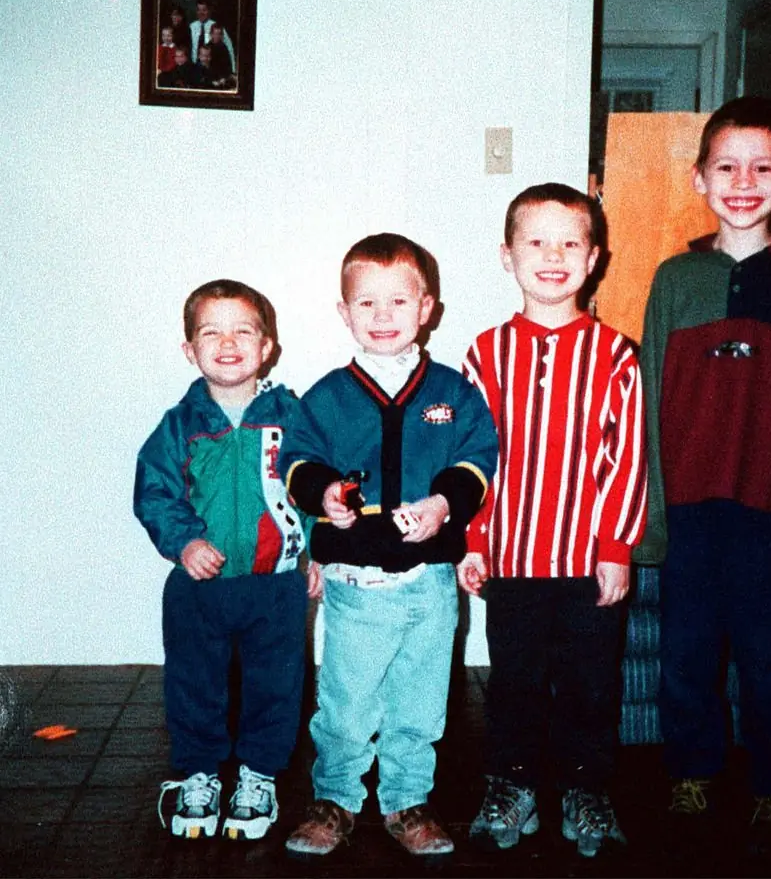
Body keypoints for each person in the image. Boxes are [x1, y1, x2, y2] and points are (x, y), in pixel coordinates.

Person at [633, 95, 771, 848]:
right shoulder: (674, 278)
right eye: (726, 166)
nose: (743, 180)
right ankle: (691, 770)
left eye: (764, 167)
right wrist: (651, 514)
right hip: (693, 505)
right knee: (687, 649)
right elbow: (650, 400)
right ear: (699, 178)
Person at [280, 233, 499, 859]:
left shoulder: (453, 392)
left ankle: (407, 799)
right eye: (366, 304)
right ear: (344, 312)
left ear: (426, 308)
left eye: (398, 302)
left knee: (421, 702)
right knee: (346, 703)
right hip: (354, 584)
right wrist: (322, 494)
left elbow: (477, 457)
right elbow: (299, 459)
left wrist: (441, 506)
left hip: (430, 585)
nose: (382, 317)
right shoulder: (324, 396)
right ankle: (335, 797)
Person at [459, 183, 648, 859]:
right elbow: (470, 457)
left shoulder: (616, 354)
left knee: (592, 682)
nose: (553, 255)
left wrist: (616, 547)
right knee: (513, 681)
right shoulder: (484, 354)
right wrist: (473, 539)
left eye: (571, 242)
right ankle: (511, 786)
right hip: (511, 560)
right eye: (535, 241)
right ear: (507, 256)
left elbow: (625, 459)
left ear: (594, 258)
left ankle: (585, 787)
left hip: (587, 564)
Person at [134, 280, 312, 841]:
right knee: (194, 681)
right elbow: (155, 492)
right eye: (211, 332)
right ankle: (198, 774)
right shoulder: (178, 425)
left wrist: (320, 555)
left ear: (267, 346)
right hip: (198, 588)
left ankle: (260, 775)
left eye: (243, 331)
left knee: (276, 682)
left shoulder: (295, 418)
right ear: (190, 350)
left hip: (276, 584)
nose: (228, 343)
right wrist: (184, 542)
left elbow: (320, 489)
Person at [191, 0, 235, 73]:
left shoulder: (216, 27)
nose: (201, 13)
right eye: (198, 10)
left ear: (209, 11)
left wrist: (233, 70)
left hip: (212, 69)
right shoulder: (191, 27)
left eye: (204, 10)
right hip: (194, 68)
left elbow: (229, 48)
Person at [207, 23, 236, 89]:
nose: (217, 36)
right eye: (215, 33)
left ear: (222, 35)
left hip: (222, 80)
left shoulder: (224, 48)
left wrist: (223, 78)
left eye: (219, 34)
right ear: (211, 34)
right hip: (209, 79)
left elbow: (228, 67)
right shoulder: (206, 47)